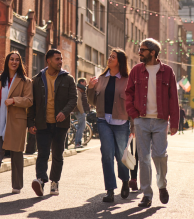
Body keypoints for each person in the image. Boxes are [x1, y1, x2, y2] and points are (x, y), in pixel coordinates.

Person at [124, 38, 179, 208]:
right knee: (144, 158)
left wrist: (175, 122)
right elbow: (128, 94)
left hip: (161, 121)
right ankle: (147, 195)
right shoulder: (136, 70)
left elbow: (173, 98)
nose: (139, 52)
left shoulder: (168, 71)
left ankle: (162, 185)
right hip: (141, 120)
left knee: (160, 156)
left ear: (153, 52)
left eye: (143, 49)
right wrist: (134, 115)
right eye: (140, 49)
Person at [0, 51, 33, 195]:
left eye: (17, 60)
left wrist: (14, 100)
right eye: (12, 59)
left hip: (16, 122)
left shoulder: (26, 81)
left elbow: (29, 100)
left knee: (16, 154)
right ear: (7, 61)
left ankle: (17, 185)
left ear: (20, 63)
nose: (14, 62)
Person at [28, 49, 77, 196]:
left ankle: (55, 182)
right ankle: (41, 180)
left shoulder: (68, 78)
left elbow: (73, 99)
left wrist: (64, 112)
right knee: (42, 154)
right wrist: (30, 123)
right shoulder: (37, 79)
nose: (60, 61)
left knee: (57, 155)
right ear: (48, 61)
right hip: (42, 123)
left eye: (61, 59)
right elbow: (33, 103)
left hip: (60, 125)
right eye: (57, 59)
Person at [87, 48, 132, 203]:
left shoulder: (128, 80)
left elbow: (132, 104)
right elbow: (93, 101)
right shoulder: (101, 78)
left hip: (122, 122)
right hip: (103, 121)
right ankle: (110, 190)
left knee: (121, 156)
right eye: (109, 56)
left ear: (120, 61)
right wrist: (91, 88)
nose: (109, 58)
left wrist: (133, 125)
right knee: (106, 155)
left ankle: (125, 180)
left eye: (113, 57)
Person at [74, 78, 89, 149]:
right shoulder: (79, 90)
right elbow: (78, 102)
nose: (86, 84)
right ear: (81, 82)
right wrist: (82, 112)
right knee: (81, 127)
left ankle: (77, 142)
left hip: (79, 111)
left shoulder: (81, 90)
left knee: (80, 127)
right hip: (80, 111)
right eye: (85, 82)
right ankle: (77, 143)